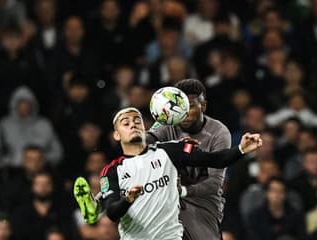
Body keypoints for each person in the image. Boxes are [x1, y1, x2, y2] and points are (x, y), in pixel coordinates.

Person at [74, 107, 262, 239]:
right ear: (117, 135)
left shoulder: (168, 151)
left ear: (144, 128)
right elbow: (114, 213)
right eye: (126, 123)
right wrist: (128, 200)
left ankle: (94, 206)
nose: (133, 124)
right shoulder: (112, 170)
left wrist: (241, 149)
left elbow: (214, 160)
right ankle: (94, 206)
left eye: (137, 120)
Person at [146, 78, 232, 240]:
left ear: (203, 106)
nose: (183, 112)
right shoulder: (168, 122)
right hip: (165, 196)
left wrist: (183, 191)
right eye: (179, 106)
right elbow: (145, 143)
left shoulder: (219, 133)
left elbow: (214, 182)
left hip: (201, 202)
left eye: (190, 106)